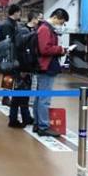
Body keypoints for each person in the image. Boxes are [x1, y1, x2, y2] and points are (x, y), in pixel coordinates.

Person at [33, 9, 71, 138]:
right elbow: (44, 49)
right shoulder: (45, 29)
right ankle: (43, 126)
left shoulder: (45, 27)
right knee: (44, 98)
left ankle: (38, 123)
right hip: (46, 66)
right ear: (56, 17)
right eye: (61, 21)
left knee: (40, 97)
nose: (61, 24)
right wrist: (61, 49)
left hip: (45, 65)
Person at [0, 5, 33, 128]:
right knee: (16, 87)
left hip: (11, 61)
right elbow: (10, 44)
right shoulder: (10, 26)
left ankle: (23, 115)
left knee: (14, 85)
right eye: (19, 13)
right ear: (16, 12)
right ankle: (6, 97)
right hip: (14, 61)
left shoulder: (12, 25)